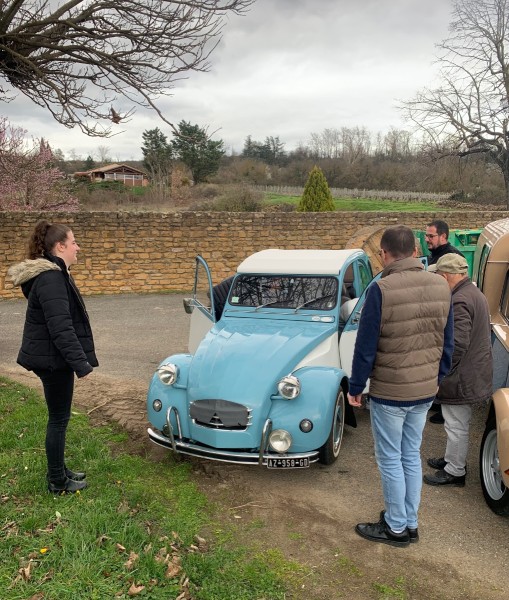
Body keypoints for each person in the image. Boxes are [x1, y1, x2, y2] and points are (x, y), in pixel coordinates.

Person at [347, 225, 453, 548]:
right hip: (424, 391)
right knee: (411, 454)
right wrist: (438, 378)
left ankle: (395, 527)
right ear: (415, 251)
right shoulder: (441, 286)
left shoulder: (381, 290)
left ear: (384, 254)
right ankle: (410, 521)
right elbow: (447, 342)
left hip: (391, 393)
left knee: (391, 458)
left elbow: (365, 347)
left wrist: (355, 386)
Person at [7, 220, 98, 494]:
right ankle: (57, 482)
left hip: (52, 358)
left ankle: (59, 471)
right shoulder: (51, 278)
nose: (77, 247)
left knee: (59, 418)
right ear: (60, 246)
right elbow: (61, 328)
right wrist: (80, 364)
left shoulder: (55, 274)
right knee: (58, 420)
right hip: (52, 360)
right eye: (73, 242)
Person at [424, 254, 493, 487]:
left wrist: (441, 372)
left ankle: (455, 471)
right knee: (454, 422)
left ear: (445, 276)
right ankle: (451, 460)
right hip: (471, 371)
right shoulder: (473, 293)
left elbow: (457, 344)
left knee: (456, 424)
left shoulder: (459, 300)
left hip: (462, 375)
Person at [425, 219, 465, 424]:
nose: (427, 239)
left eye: (431, 236)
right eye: (426, 236)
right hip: (436, 310)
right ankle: (437, 400)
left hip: (445, 312)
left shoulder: (451, 257)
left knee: (447, 354)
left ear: (443, 237)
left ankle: (444, 406)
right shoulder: (435, 255)